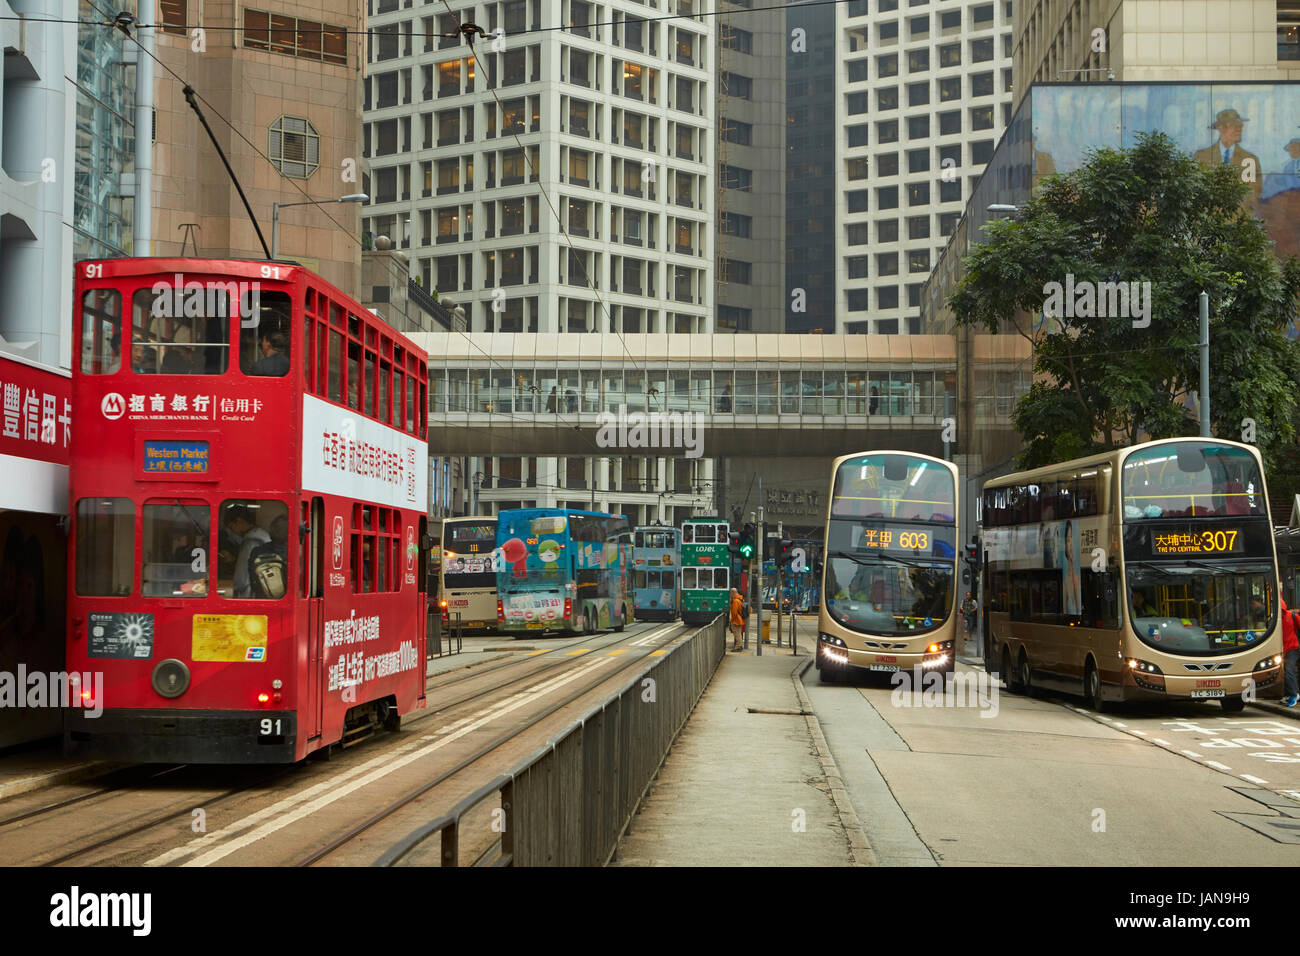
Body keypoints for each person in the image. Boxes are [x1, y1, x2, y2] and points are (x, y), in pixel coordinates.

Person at [1192, 108, 1262, 203]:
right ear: (1221, 127)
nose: (1239, 129)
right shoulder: (1201, 157)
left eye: (1240, 125)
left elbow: (1253, 195)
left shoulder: (1250, 160)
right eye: (1234, 125)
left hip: (1239, 216)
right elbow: (1195, 191)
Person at [222, 506, 271, 598]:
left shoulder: (249, 543)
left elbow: (241, 578)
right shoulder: (262, 535)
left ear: (239, 521)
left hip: (250, 593)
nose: (232, 532)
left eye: (231, 527)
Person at [1282, 593, 1299, 707]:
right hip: (1285, 649)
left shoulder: (1291, 616)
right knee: (1288, 672)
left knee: (1289, 671)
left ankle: (1294, 694)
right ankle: (1290, 694)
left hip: (1292, 647)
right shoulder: (1276, 619)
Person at [729, 586, 745, 652]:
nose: (730, 595)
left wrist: (732, 620)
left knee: (737, 634)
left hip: (736, 620)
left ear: (733, 593)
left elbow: (734, 612)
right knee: (739, 633)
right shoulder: (740, 599)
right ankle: (740, 646)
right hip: (740, 619)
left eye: (730, 593)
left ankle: (738, 647)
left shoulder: (735, 601)